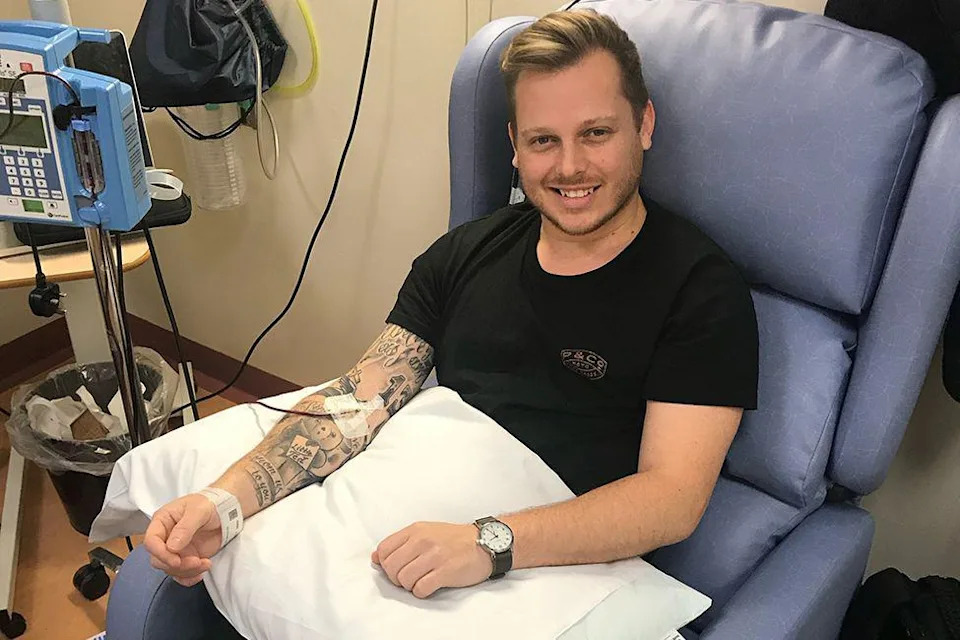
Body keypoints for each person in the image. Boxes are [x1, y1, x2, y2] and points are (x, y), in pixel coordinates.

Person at [144, 9, 758, 601]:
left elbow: (671, 499)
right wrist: (223, 501)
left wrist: (489, 543)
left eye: (596, 132)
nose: (571, 166)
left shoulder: (698, 290)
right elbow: (356, 401)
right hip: (426, 530)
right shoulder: (465, 253)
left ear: (644, 124)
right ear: (515, 145)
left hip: (557, 566)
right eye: (544, 140)